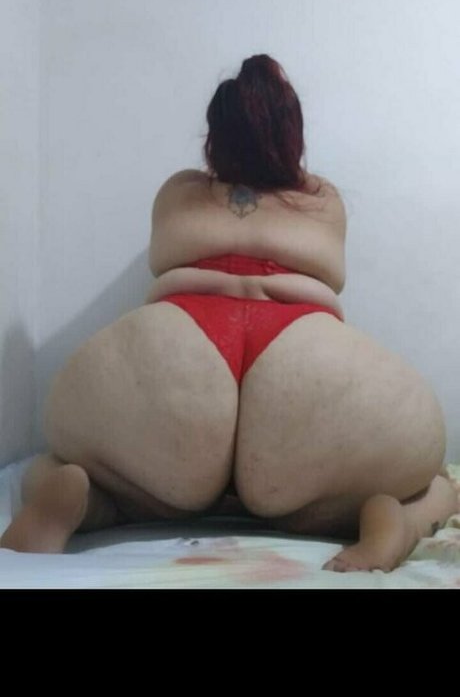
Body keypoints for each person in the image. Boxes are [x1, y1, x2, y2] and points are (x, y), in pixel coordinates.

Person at [1, 55, 457, 571]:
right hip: (306, 357)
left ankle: (83, 500)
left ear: (215, 136)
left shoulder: (179, 193)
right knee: (433, 485)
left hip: (174, 345)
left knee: (54, 465)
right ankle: (388, 518)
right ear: (292, 132)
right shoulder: (321, 199)